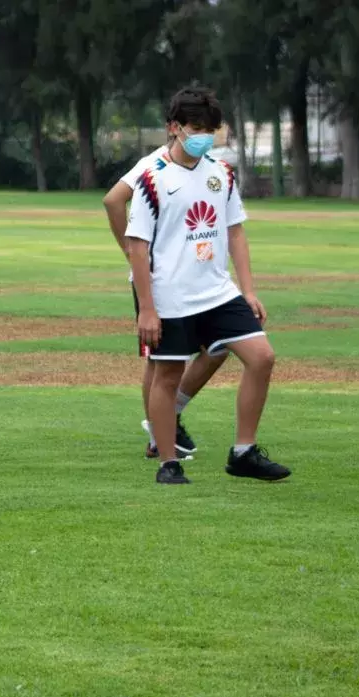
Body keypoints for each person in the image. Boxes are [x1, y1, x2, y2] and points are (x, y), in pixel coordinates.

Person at [125, 87, 291, 485]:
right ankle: (168, 462)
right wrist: (147, 308)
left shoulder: (222, 173)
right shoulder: (153, 179)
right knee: (167, 376)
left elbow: (235, 233)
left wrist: (248, 290)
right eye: (195, 128)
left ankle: (243, 452)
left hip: (217, 291)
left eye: (210, 130)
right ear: (174, 127)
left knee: (261, 357)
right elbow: (136, 245)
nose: (203, 136)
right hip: (171, 295)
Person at [105, 142, 226, 459]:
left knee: (221, 344)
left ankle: (167, 417)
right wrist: (133, 254)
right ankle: (160, 437)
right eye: (195, 124)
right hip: (160, 277)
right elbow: (114, 200)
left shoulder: (206, 163)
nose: (203, 133)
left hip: (196, 276)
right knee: (160, 359)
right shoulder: (156, 162)